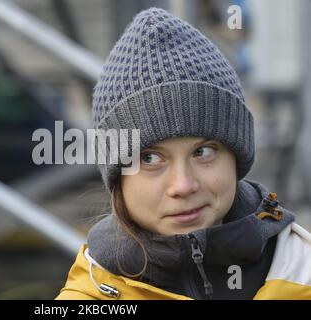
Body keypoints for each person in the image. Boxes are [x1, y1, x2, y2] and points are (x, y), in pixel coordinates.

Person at [56, 7, 311, 300]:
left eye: (203, 152)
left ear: (237, 156)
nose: (183, 185)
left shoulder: (301, 273)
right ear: (118, 179)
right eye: (150, 158)